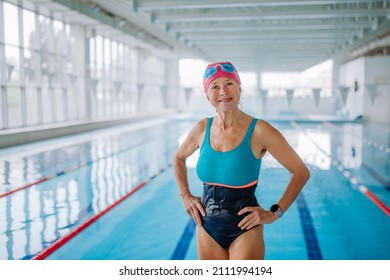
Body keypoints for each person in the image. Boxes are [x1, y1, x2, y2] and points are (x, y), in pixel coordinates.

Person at [173, 61, 310, 260]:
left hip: (245, 228)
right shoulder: (203, 128)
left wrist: (274, 213)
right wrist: (184, 194)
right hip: (206, 227)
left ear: (239, 87)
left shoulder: (260, 130)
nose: (223, 92)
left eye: (229, 83)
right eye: (215, 86)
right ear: (207, 93)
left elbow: (301, 171)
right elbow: (178, 157)